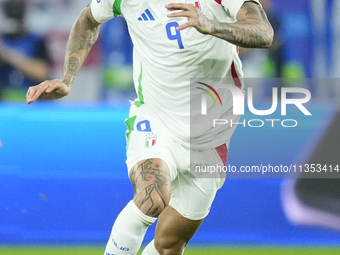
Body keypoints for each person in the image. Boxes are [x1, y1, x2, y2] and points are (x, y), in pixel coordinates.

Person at [26, 0, 273, 254]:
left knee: (169, 245)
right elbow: (88, 18)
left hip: (210, 133)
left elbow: (264, 33)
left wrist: (211, 25)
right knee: (152, 195)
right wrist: (67, 79)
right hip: (156, 117)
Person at [0, 0, 50, 101]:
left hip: (32, 101)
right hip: (4, 102)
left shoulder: (36, 40)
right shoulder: (2, 39)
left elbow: (42, 73)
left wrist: (8, 55)